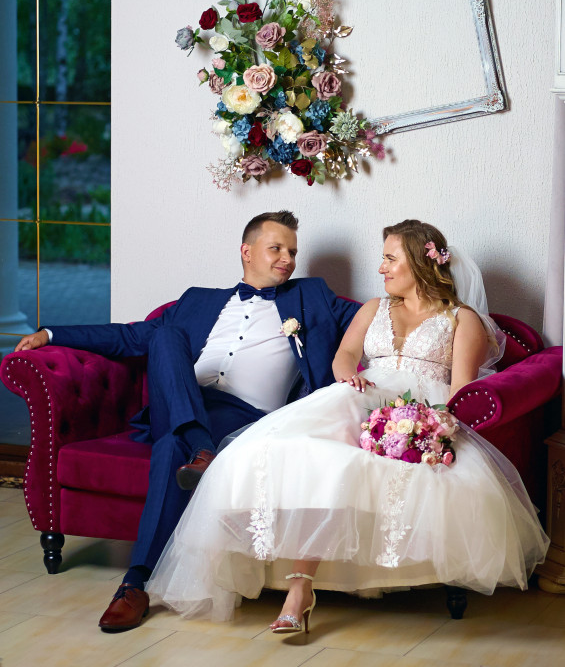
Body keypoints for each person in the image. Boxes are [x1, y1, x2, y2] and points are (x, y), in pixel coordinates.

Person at [145, 219, 549, 632]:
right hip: (361, 395)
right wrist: (347, 377)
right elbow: (346, 355)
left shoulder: (461, 319)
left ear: (418, 262)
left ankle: (299, 592)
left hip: (421, 409)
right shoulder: (374, 308)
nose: (381, 268)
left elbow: (461, 390)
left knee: (346, 465)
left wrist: (424, 427)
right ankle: (297, 587)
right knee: (290, 447)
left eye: (390, 259)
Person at [14, 210, 359, 632]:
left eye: (292, 251)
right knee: (163, 335)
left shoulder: (312, 296)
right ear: (246, 251)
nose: (287, 259)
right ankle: (202, 446)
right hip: (183, 400)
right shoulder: (198, 300)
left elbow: (377, 318)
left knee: (169, 447)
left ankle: (134, 583)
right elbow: (130, 336)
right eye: (276, 248)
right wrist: (51, 335)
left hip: (245, 417)